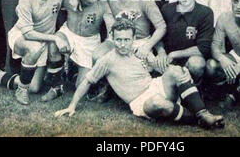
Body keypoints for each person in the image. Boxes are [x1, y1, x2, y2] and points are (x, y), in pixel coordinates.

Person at [54, 18, 224, 130]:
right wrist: (72, 106)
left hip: (155, 86)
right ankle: (197, 119)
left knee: (175, 70)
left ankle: (204, 114)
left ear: (133, 38)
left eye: (126, 40)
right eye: (119, 39)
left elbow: (161, 69)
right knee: (159, 103)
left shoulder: (138, 51)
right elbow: (86, 82)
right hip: (141, 101)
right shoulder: (107, 60)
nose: (122, 44)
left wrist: (174, 70)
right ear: (112, 37)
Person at [40, 0, 115, 102]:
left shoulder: (103, 2)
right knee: (54, 44)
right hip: (68, 32)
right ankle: (56, 87)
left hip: (89, 41)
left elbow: (111, 29)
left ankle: (72, 72)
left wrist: (108, 44)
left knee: (80, 86)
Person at [5, 0, 69, 105]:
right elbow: (28, 33)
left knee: (34, 87)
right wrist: (55, 38)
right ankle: (21, 89)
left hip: (44, 39)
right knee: (35, 48)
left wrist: (76, 0)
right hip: (22, 36)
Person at [157, 0, 214, 83]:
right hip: (167, 57)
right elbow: (157, 35)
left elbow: (203, 48)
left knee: (197, 64)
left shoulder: (205, 12)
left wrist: (175, 54)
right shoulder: (166, 9)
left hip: (188, 58)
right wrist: (161, 52)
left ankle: (194, 88)